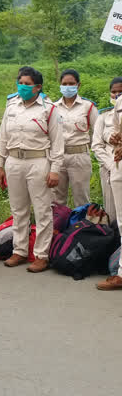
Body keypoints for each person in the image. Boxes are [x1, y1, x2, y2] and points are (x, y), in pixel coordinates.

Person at [0, 66, 63, 273]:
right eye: (20, 83)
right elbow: (2, 137)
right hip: (14, 161)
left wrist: (55, 169)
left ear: (38, 87)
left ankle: (41, 255)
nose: (22, 87)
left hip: (38, 162)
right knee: (18, 209)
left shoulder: (49, 109)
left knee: (42, 210)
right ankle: (20, 250)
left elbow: (58, 142)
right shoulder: (12, 107)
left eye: (27, 84)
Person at [53, 69, 98, 207]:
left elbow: (97, 132)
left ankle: (82, 228)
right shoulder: (53, 107)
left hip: (79, 156)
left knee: (81, 198)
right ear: (60, 85)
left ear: (78, 85)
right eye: (64, 84)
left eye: (71, 83)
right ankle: (59, 227)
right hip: (58, 157)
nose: (67, 87)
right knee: (57, 199)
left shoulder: (88, 107)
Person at [97, 78, 122, 290]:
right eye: (113, 92)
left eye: (120, 92)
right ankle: (116, 266)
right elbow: (98, 144)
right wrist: (112, 163)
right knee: (116, 219)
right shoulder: (106, 114)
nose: (117, 95)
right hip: (113, 169)